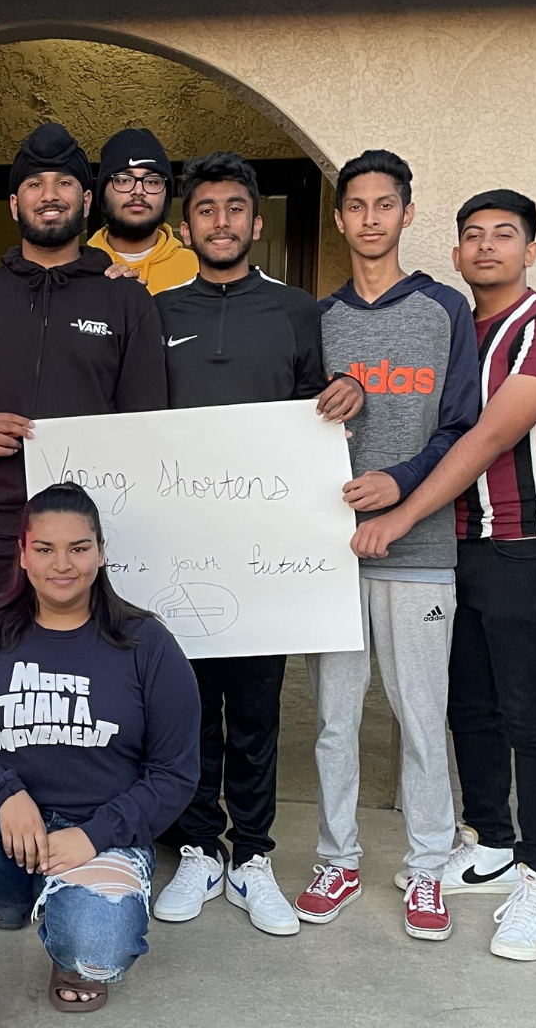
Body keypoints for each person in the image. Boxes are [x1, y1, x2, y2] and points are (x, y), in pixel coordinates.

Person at [349, 189, 536, 962]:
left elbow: (487, 437)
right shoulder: (456, 327)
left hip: (525, 543)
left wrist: (398, 514)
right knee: (470, 707)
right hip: (458, 549)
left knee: (531, 714)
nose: (487, 247)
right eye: (473, 236)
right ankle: (490, 840)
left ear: (531, 250)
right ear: (454, 253)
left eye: (505, 235)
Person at [148, 151, 364, 936]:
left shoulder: (297, 311)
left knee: (258, 711)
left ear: (257, 222)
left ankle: (252, 857)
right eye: (206, 210)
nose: (222, 222)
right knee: (188, 707)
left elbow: (320, 410)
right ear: (187, 226)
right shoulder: (158, 313)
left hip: (266, 551)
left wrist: (351, 392)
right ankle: (201, 847)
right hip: (180, 550)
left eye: (235, 209)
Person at [0, 482, 198, 1022]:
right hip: (3, 828)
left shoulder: (146, 642)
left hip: (99, 831)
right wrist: (4, 793)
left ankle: (64, 926)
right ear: (22, 553)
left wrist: (95, 835)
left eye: (79, 548)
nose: (63, 564)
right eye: (45, 548)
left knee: (96, 953)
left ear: (101, 553)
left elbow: (175, 774)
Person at [306, 149, 479, 942]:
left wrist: (401, 482)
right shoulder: (320, 320)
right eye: (357, 206)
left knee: (419, 715)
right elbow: (288, 427)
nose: (370, 219)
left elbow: (464, 427)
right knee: (336, 720)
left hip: (420, 550)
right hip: (330, 556)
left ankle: (427, 867)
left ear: (408, 215)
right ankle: (336, 858)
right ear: (339, 218)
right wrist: (324, 403)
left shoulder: (446, 310)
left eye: (386, 205)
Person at [0, 122, 168, 609]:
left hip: (95, 528)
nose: (49, 196)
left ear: (86, 201)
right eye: (34, 184)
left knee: (95, 671)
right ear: (15, 203)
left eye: (63, 183)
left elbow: (147, 423)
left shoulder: (124, 298)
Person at [86, 128, 196, 294]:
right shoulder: (80, 268)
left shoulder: (197, 270)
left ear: (166, 196)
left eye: (152, 181)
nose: (138, 190)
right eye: (123, 180)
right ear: (102, 193)